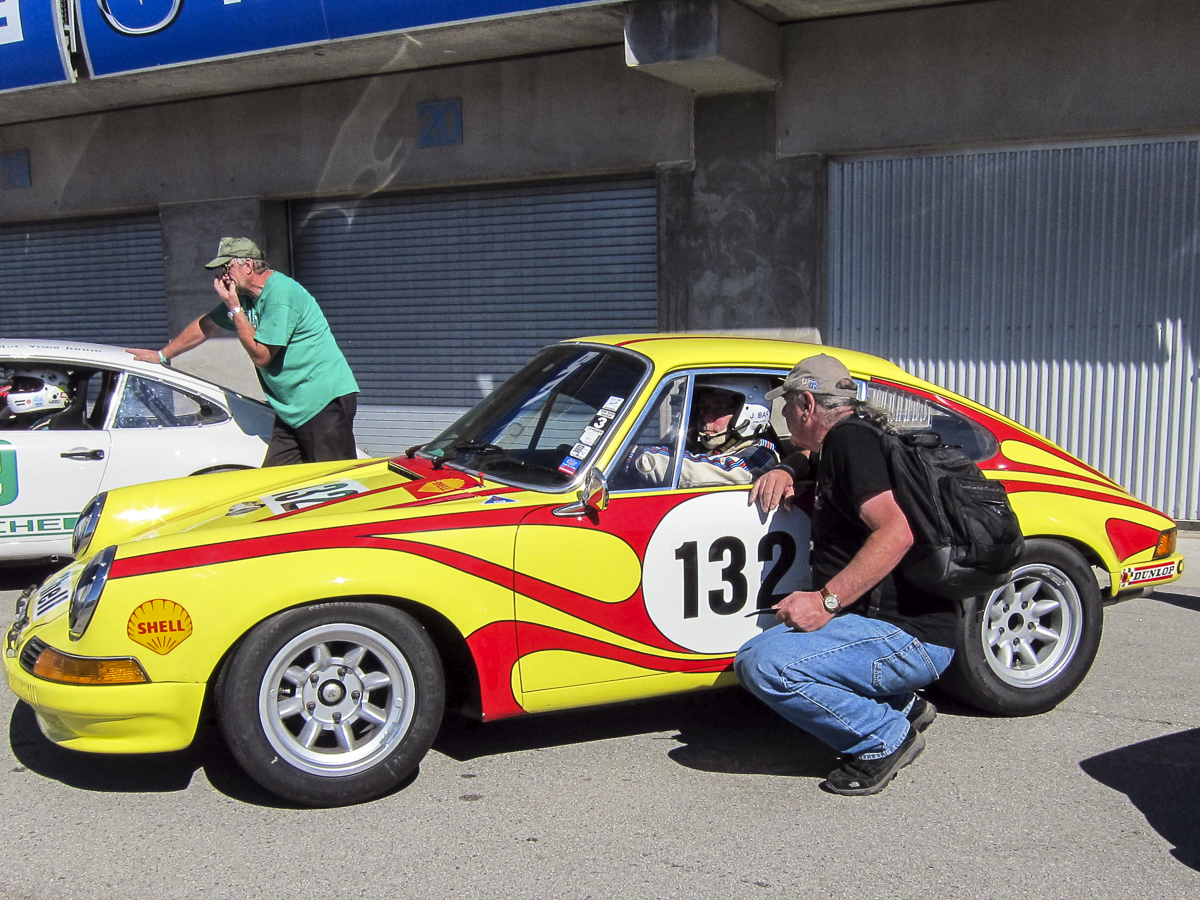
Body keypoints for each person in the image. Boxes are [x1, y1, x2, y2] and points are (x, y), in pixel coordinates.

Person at [733, 354, 956, 796]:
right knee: (761, 649)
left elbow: (896, 533)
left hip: (908, 637)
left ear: (807, 405)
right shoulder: (852, 439)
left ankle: (884, 738)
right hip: (902, 629)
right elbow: (811, 460)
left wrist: (825, 601)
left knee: (763, 665)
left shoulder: (851, 444)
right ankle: (904, 705)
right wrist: (787, 466)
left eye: (787, 407)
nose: (785, 417)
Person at [127, 237, 359, 466]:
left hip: (322, 401)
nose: (222, 276)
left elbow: (262, 357)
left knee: (336, 484)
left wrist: (234, 308)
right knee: (276, 486)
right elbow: (206, 326)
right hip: (292, 409)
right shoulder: (247, 299)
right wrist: (162, 355)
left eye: (226, 268)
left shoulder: (280, 295)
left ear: (248, 265)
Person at [632, 377, 779, 487]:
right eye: (703, 407)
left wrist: (636, 455)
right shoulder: (704, 448)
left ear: (749, 414)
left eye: (719, 408)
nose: (706, 417)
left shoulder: (762, 455)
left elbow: (700, 472)